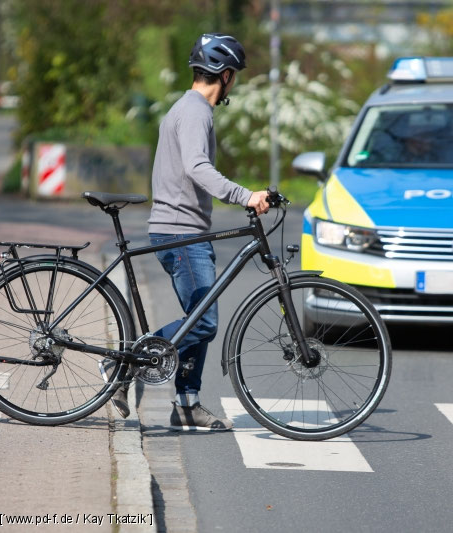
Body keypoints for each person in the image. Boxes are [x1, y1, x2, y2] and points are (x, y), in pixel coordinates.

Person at [108, 33, 269, 430]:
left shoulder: (186, 107)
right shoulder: (196, 112)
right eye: (236, 77)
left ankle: (186, 406)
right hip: (181, 233)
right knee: (204, 321)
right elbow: (198, 167)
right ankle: (123, 361)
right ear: (226, 75)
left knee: (197, 321)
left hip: (181, 229)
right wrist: (245, 195)